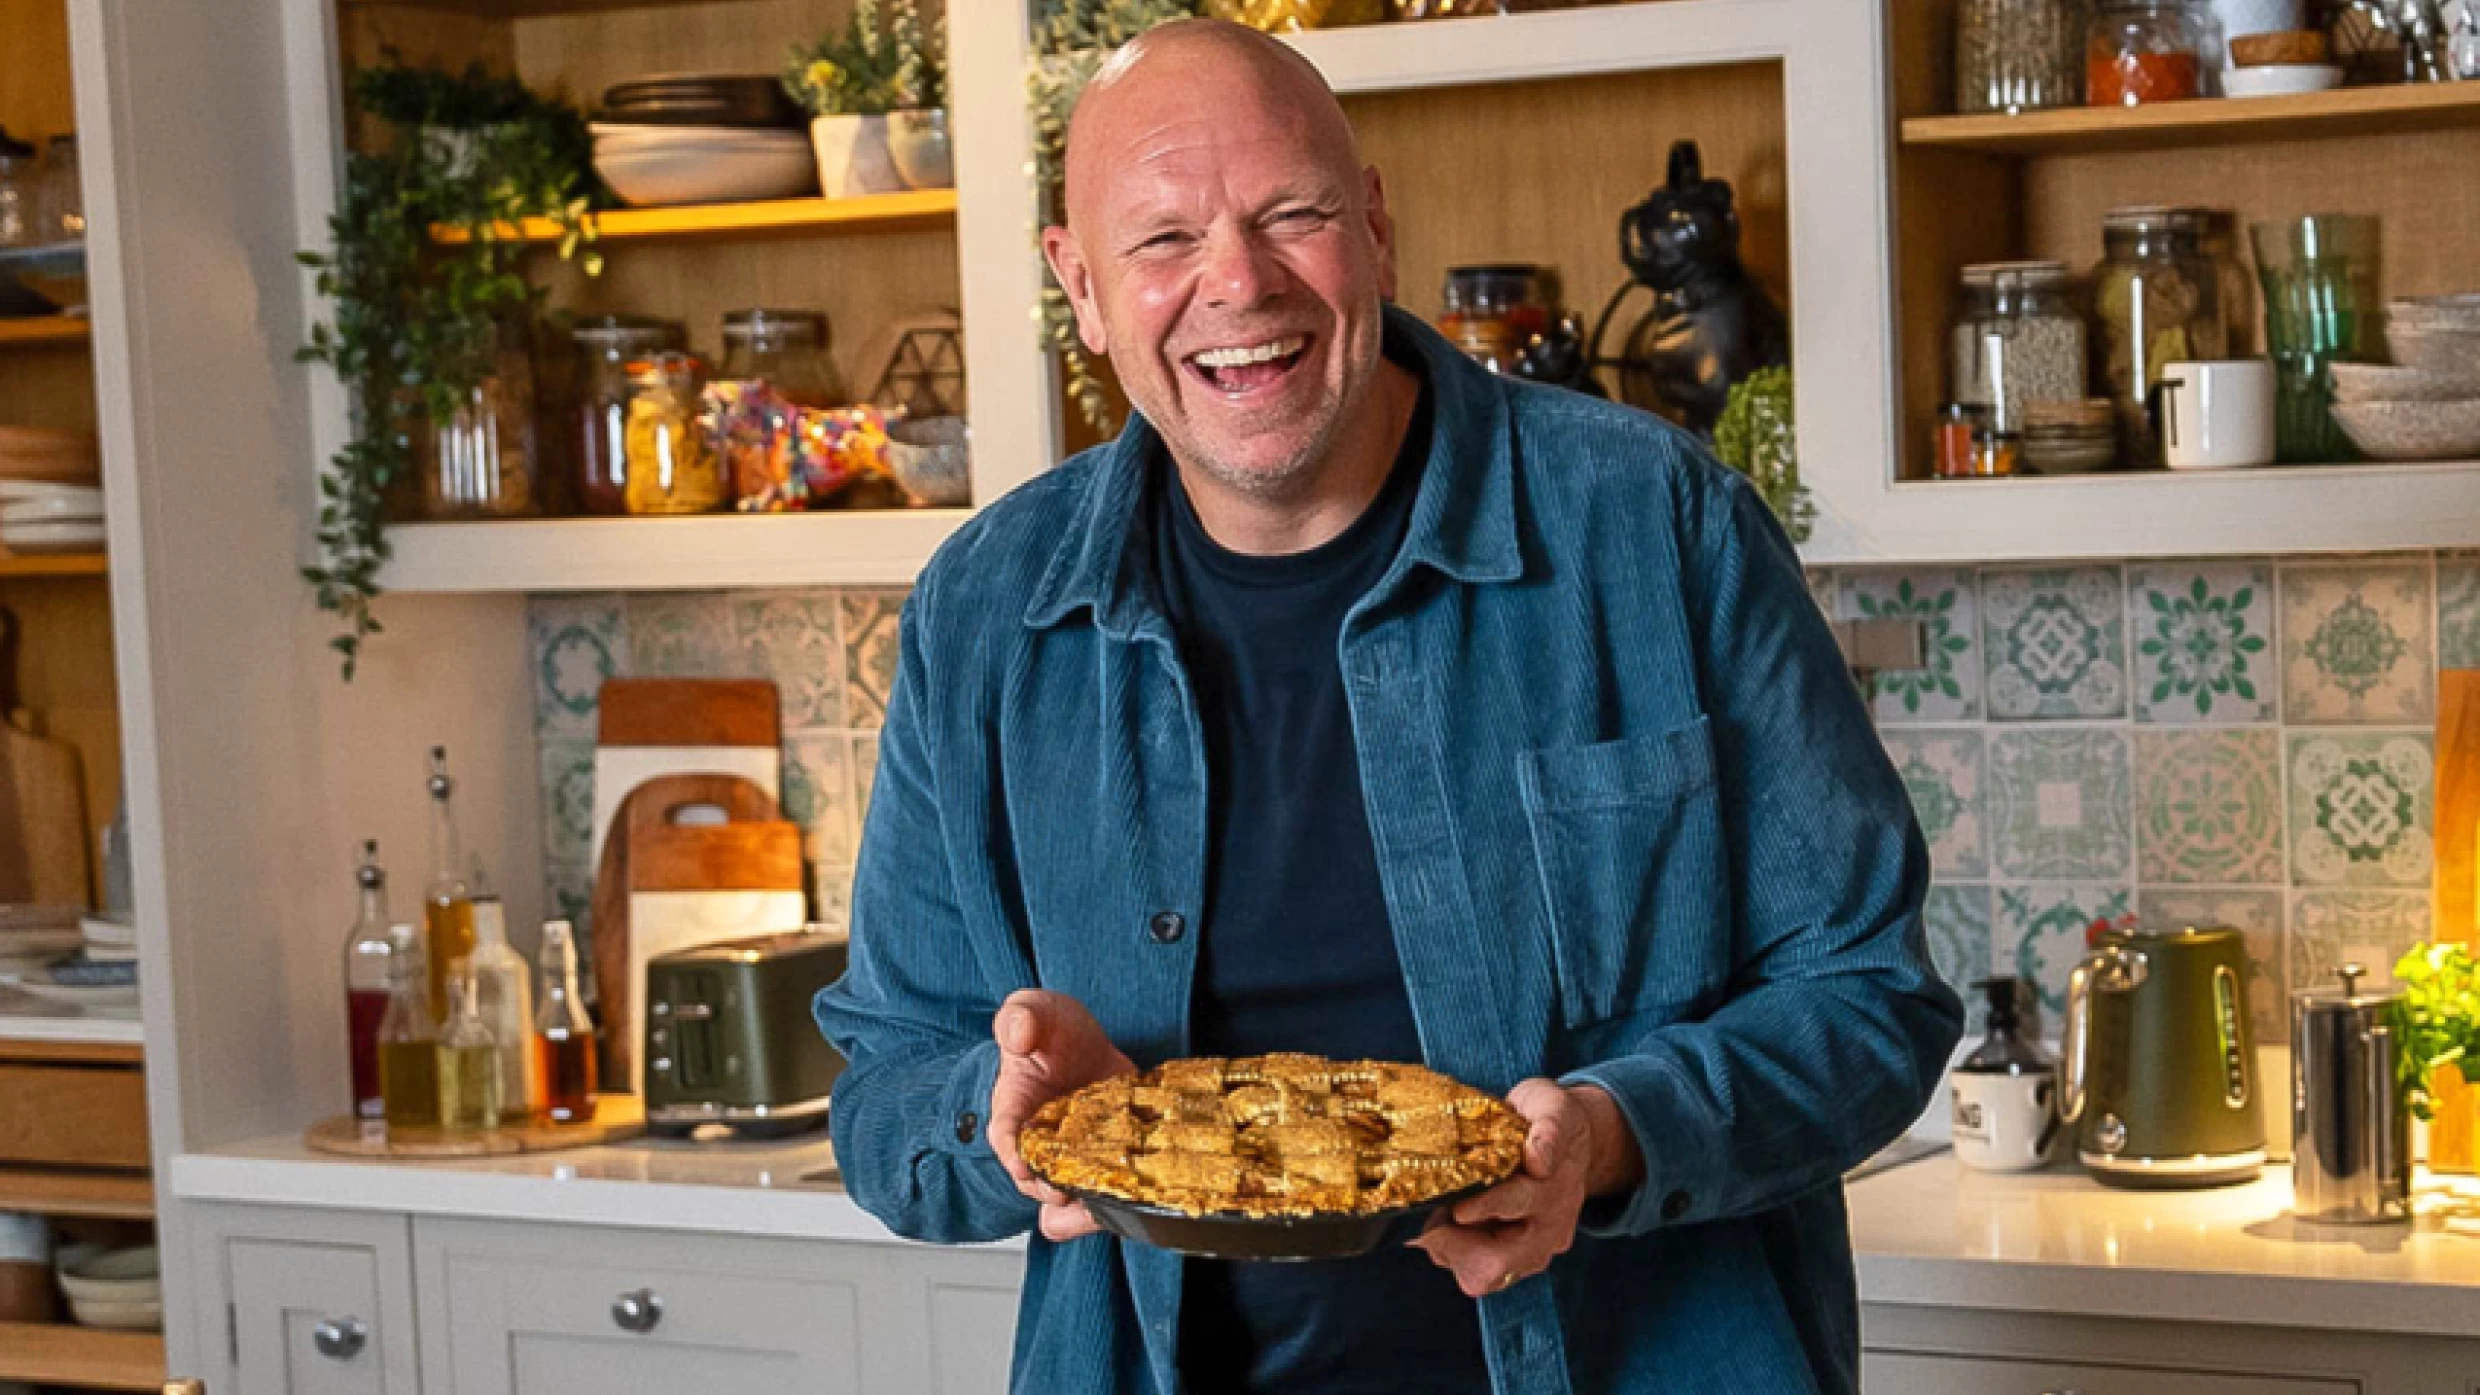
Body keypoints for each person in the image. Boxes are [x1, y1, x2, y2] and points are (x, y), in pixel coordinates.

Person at [815, 19, 1962, 1395]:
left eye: (1290, 214)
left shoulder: (1658, 529)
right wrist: (996, 1115)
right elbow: (886, 1092)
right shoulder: (987, 614)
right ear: (1081, 285)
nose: (1237, 285)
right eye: (1163, 240)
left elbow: (1870, 998)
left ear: (1373, 227)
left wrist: (1609, 1133)